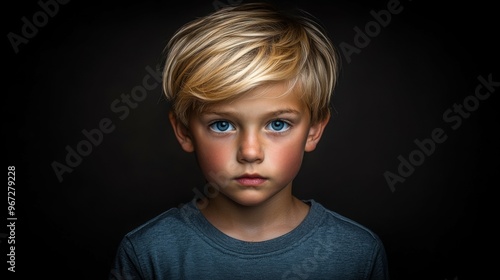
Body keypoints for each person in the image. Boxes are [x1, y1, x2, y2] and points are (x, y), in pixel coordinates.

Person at [109, 2, 389, 279]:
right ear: (184, 131)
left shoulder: (358, 253)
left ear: (314, 130)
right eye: (222, 125)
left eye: (277, 124)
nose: (250, 152)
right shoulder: (147, 253)